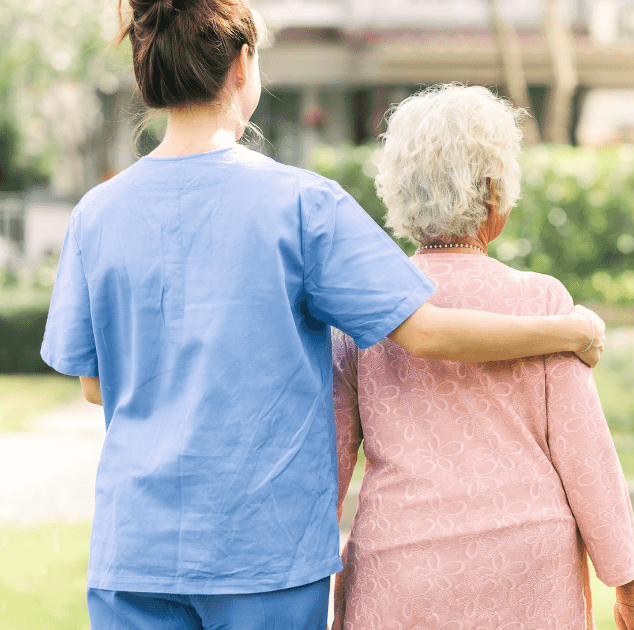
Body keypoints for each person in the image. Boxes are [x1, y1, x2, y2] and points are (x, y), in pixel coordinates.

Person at [39, 2, 605, 628]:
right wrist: (564, 330)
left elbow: (95, 386)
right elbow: (426, 330)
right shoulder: (302, 204)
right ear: (242, 64)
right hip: (265, 555)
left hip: (135, 551)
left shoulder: (95, 213)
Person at [331, 84, 634, 630]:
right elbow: (588, 460)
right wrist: (630, 591)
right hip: (530, 569)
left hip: (401, 567)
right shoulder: (543, 303)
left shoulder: (367, 311)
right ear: (492, 193)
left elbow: (330, 465)